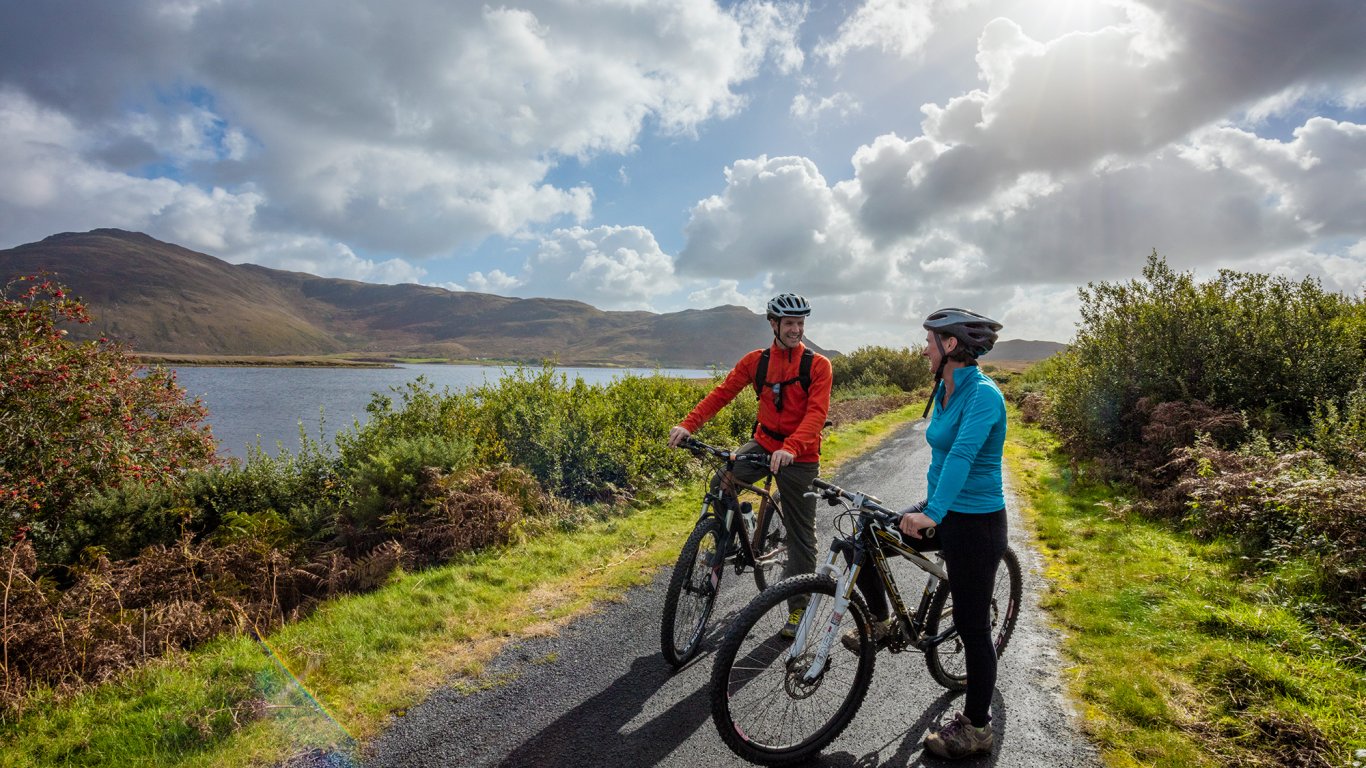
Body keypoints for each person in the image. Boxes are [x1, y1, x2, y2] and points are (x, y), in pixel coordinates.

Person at [842, 307, 1007, 760]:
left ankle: (977, 727)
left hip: (976, 522)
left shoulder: (983, 396)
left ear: (949, 346)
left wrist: (931, 511)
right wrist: (928, 509)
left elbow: (962, 458)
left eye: (929, 341)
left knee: (974, 628)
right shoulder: (946, 388)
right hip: (943, 510)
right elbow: (939, 455)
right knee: (866, 533)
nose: (922, 349)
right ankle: (880, 620)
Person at [667, 292, 833, 638]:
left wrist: (791, 448)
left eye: (800, 324)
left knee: (802, 536)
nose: (796, 330)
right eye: (790, 324)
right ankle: (726, 536)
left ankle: (798, 607)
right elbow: (721, 393)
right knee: (722, 480)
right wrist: (687, 424)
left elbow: (816, 415)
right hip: (764, 442)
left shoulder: (818, 365)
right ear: (773, 324)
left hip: (799, 455)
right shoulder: (756, 361)